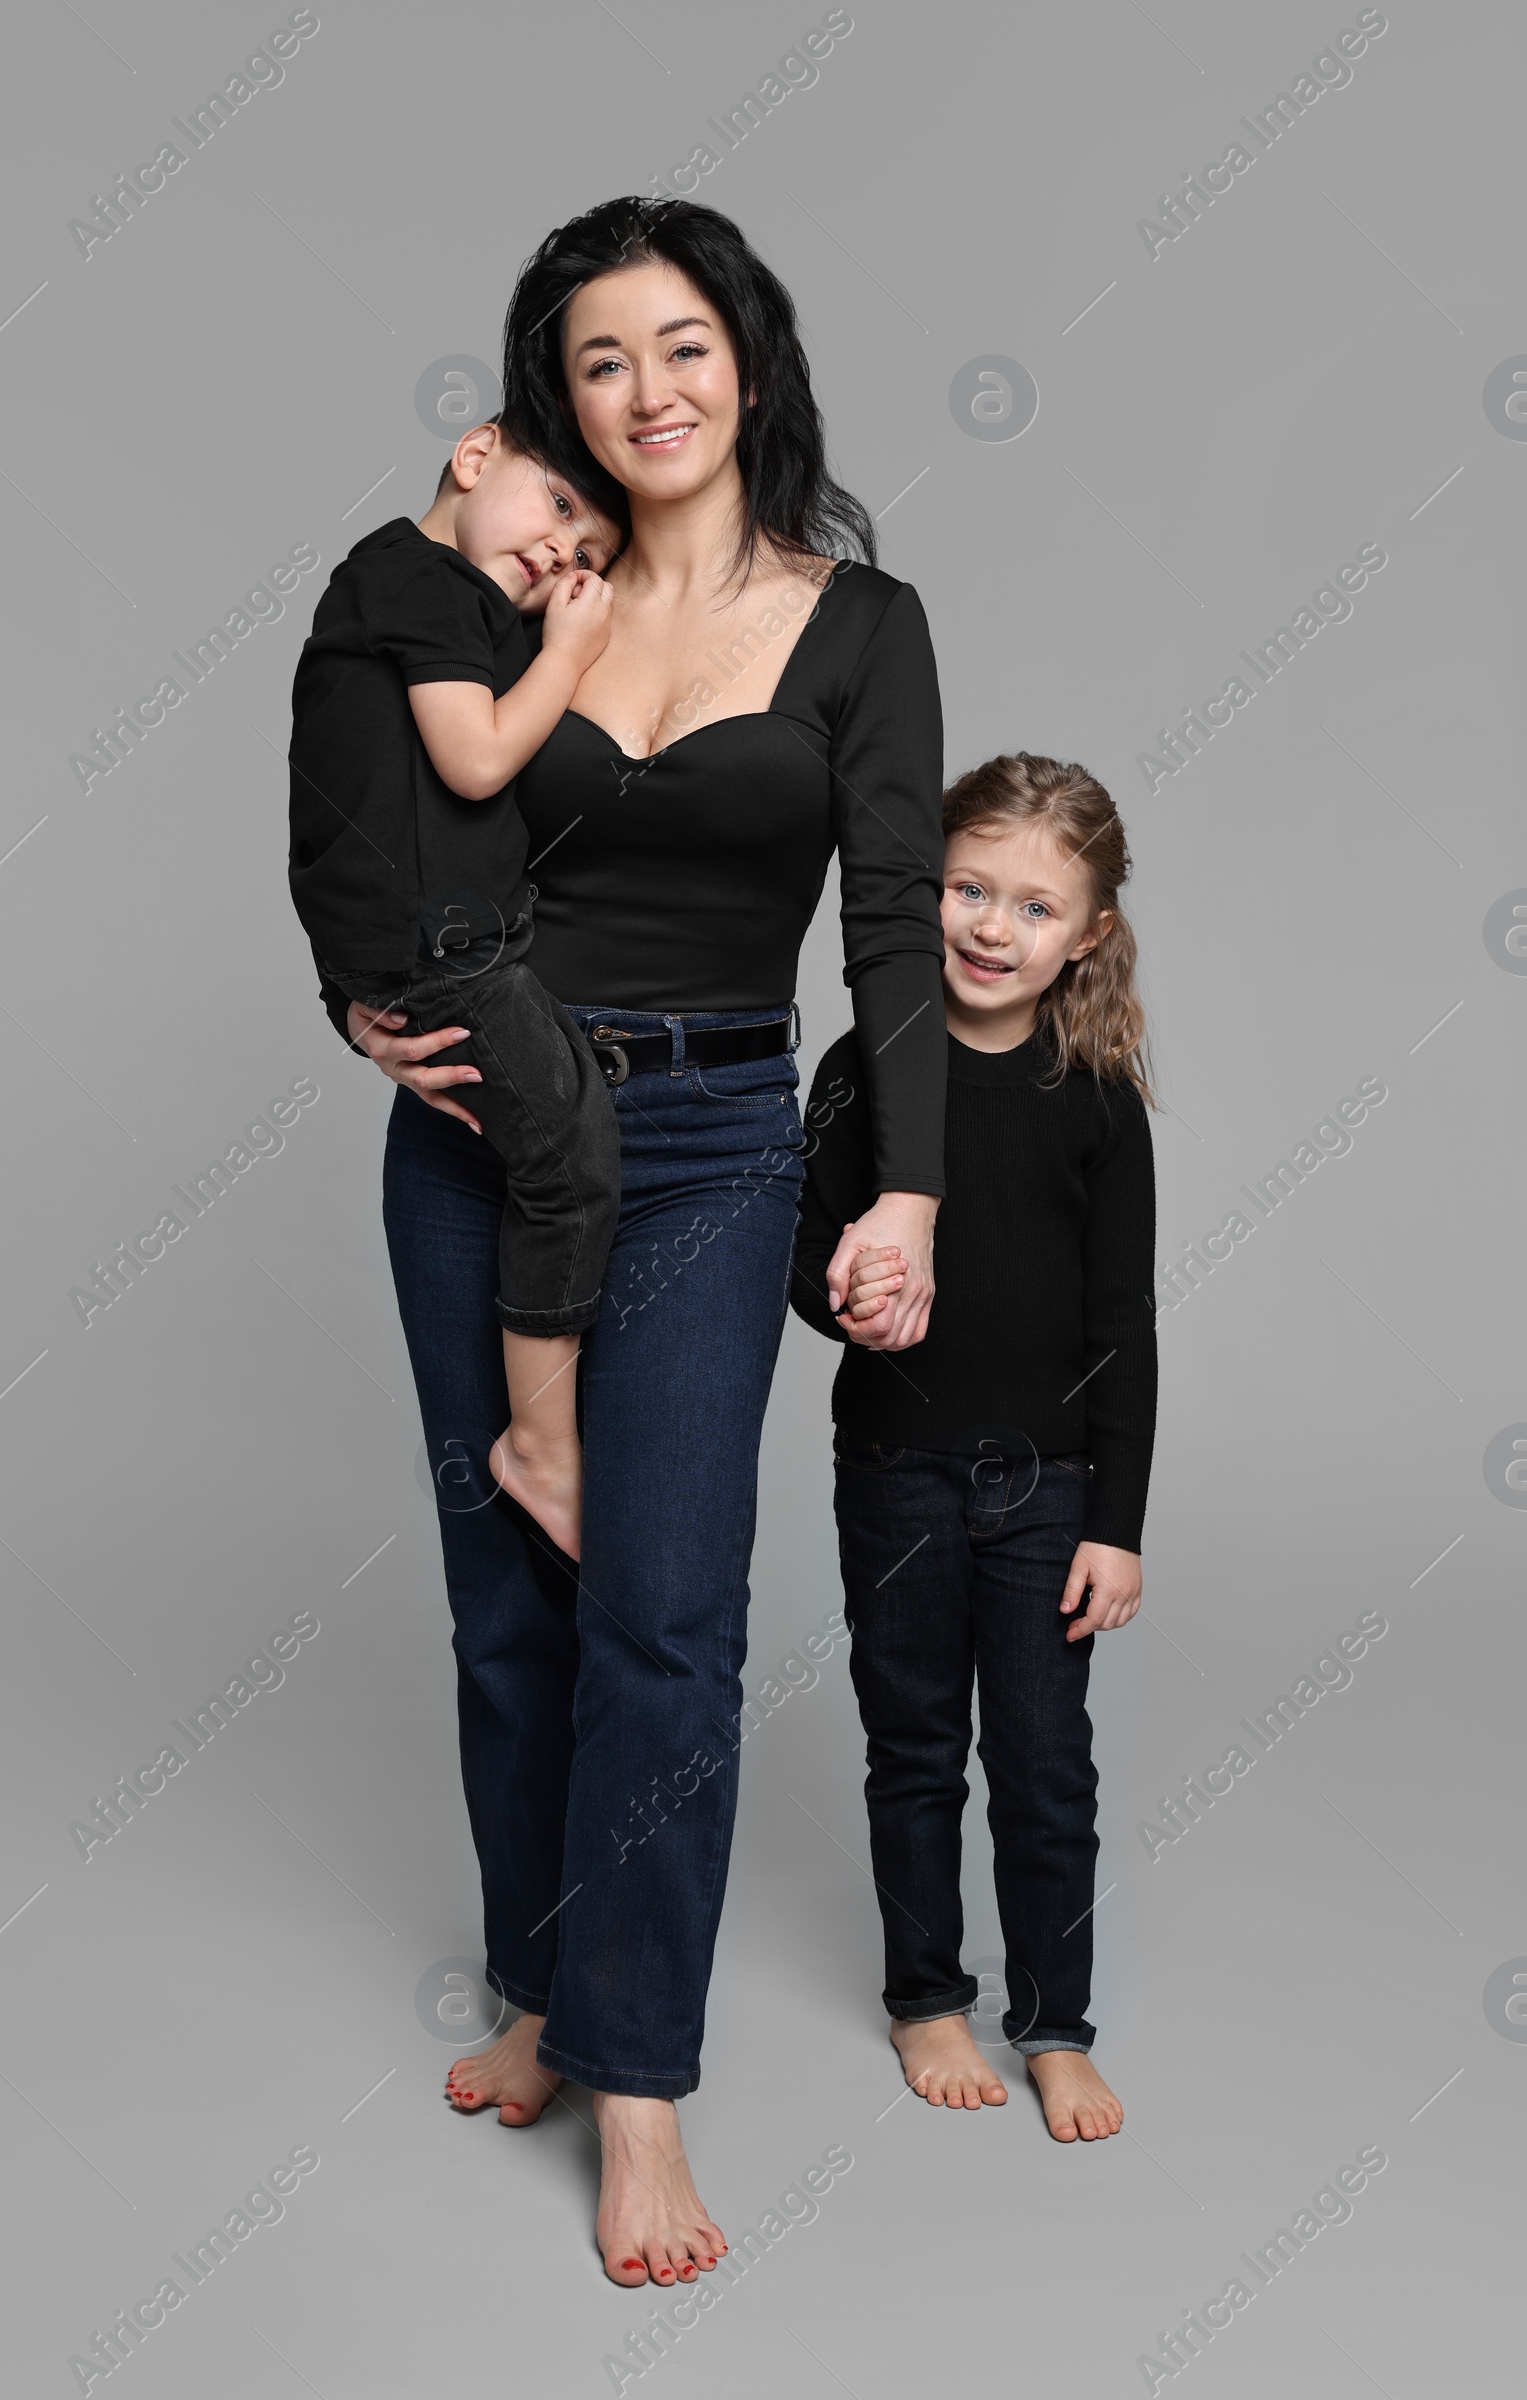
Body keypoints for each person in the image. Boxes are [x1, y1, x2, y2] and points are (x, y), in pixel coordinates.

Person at [321, 196, 947, 2285]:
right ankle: (536, 1992)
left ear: (744, 365)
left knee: (659, 1618)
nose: (646, 392)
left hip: (701, 1143)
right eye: (599, 359)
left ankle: (640, 2086)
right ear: (550, 398)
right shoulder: (505, 593)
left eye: (680, 346)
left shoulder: (860, 625)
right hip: (486, 1122)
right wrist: (352, 995)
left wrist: (909, 1187)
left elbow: (884, 938)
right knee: (506, 1608)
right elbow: (368, 783)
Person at [790, 752, 1157, 2142]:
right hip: (895, 1477)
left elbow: (1125, 1319)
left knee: (1048, 1765)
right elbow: (802, 1251)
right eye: (969, 889)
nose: (993, 928)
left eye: (1035, 906)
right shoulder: (864, 1066)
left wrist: (1115, 1522)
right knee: (916, 1749)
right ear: (921, 891)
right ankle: (926, 1997)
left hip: (1051, 1487)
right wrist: (846, 1291)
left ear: (1089, 934)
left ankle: (1054, 2021)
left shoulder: (1096, 1096)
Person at [288, 423, 625, 1556]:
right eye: (562, 503)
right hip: (445, 952)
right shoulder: (417, 582)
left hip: (436, 944)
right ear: (477, 454)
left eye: (590, 554)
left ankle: (540, 1436)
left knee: (560, 1125)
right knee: (573, 1166)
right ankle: (538, 1447)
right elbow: (476, 759)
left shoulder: (429, 596)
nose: (564, 556)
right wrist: (570, 656)